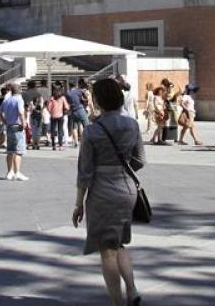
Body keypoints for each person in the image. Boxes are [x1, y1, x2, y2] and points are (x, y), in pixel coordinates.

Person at [73, 78, 145, 306]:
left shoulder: (92, 130)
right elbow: (140, 160)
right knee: (118, 243)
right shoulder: (132, 124)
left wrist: (78, 203)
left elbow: (84, 171)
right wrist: (124, 168)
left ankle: (117, 302)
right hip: (127, 188)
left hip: (103, 189)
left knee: (106, 249)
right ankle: (132, 290)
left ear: (97, 100)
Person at [0, 80, 29, 180]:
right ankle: (17, 172)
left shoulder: (7, 100)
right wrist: (24, 123)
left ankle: (9, 172)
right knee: (18, 151)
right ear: (19, 91)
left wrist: (4, 121)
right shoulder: (19, 100)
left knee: (10, 150)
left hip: (9, 126)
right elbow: (21, 112)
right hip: (17, 126)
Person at [66, 79, 89, 148]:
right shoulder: (79, 91)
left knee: (74, 127)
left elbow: (68, 103)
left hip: (73, 111)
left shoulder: (68, 93)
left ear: (69, 86)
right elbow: (85, 98)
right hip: (81, 109)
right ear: (75, 85)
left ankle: (76, 142)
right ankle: (86, 141)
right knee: (86, 126)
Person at [46, 84, 70, 151]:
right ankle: (60, 145)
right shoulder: (62, 98)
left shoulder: (51, 98)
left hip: (53, 116)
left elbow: (48, 107)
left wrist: (51, 112)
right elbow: (67, 107)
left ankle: (53, 145)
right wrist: (65, 111)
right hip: (60, 115)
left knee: (53, 131)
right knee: (60, 130)